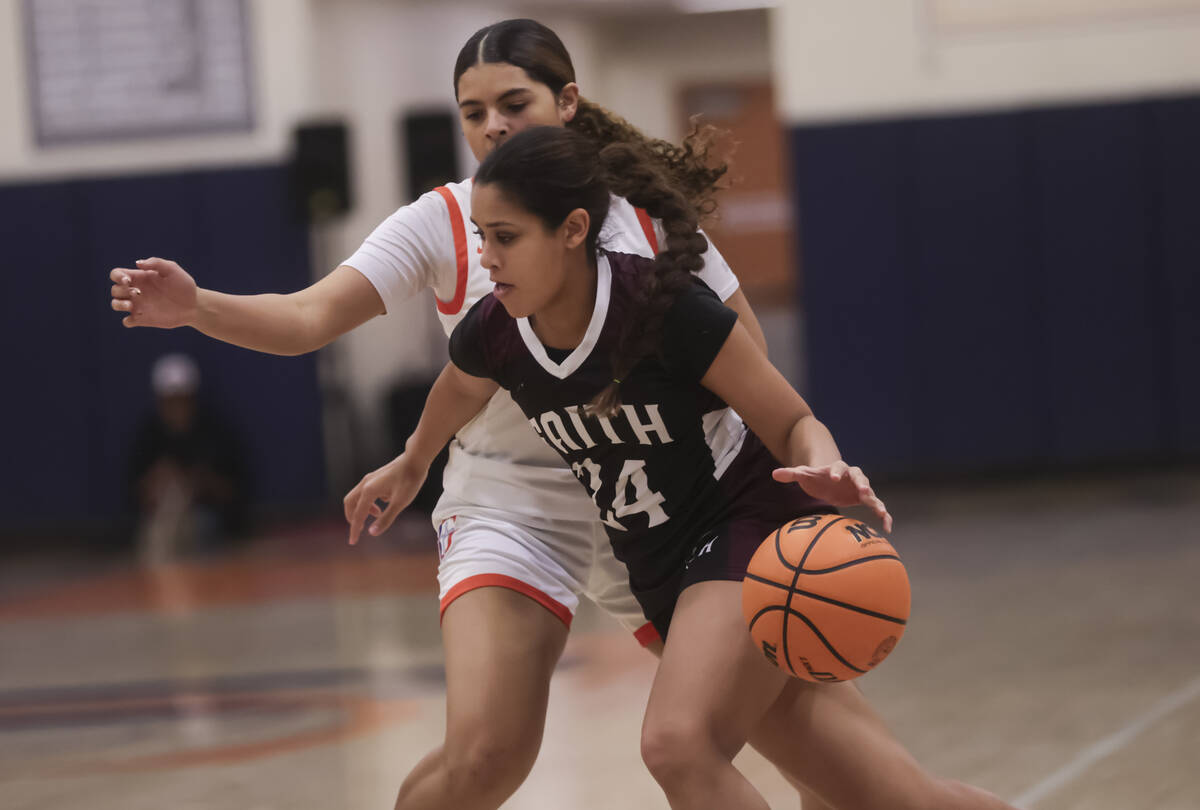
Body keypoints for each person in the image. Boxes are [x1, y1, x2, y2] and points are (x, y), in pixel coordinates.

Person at [111, 18, 1010, 810]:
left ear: (567, 102)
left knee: (859, 784)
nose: (491, 126)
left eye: (512, 102)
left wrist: (805, 466)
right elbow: (318, 319)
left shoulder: (650, 236)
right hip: (516, 500)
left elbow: (757, 384)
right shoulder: (454, 229)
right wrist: (202, 308)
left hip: (672, 506)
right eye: (471, 112)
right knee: (490, 755)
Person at [345, 126, 1020, 810]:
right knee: (889, 798)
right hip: (663, 569)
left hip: (745, 525)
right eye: (481, 236)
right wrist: (413, 459)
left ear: (573, 229)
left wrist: (825, 466)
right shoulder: (496, 329)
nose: (486, 256)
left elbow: (790, 420)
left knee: (678, 744)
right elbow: (458, 388)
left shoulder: (661, 310)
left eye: (505, 237)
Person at [129, 353, 251, 566]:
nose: (176, 407)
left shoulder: (215, 433)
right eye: (169, 400)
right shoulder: (149, 436)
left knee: (197, 534)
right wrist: (158, 483)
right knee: (156, 533)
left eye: (181, 399)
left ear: (192, 398)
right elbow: (136, 492)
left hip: (206, 517)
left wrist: (197, 481)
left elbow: (234, 493)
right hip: (160, 519)